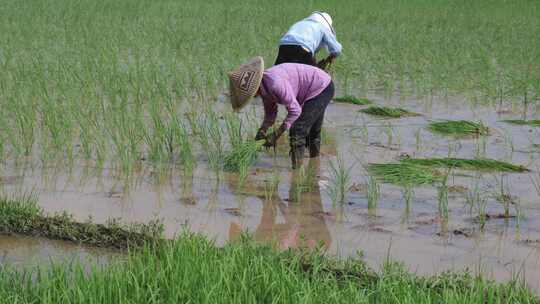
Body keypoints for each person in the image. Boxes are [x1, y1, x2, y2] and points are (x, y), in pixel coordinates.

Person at [228, 56, 334, 169]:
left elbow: (295, 110)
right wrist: (263, 129)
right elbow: (270, 114)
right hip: (316, 87)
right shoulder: (264, 88)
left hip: (322, 87)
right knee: (313, 131)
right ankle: (314, 168)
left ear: (254, 88)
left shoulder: (275, 84)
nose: (252, 96)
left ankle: (296, 172)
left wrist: (277, 134)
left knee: (298, 129)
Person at [275, 11, 342, 69]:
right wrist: (330, 58)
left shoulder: (299, 23)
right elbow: (337, 49)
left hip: (283, 47)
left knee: (279, 73)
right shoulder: (322, 27)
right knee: (311, 77)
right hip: (302, 50)